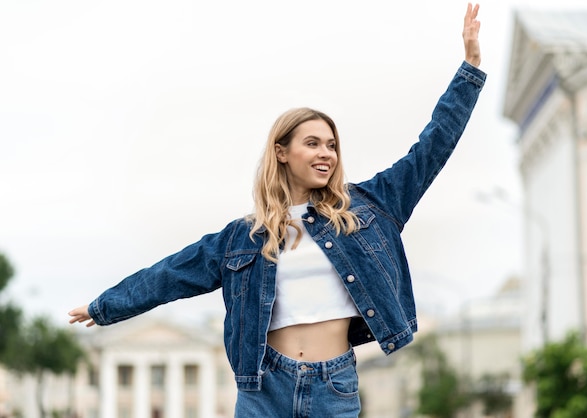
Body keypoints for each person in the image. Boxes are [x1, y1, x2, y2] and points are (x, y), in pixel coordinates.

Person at [69, 3, 485, 417]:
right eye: (313, 143)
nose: (327, 154)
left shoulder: (369, 207)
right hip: (263, 387)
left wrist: (469, 70)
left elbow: (431, 149)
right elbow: (170, 274)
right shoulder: (243, 237)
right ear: (281, 152)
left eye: (332, 144)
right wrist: (106, 307)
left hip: (334, 385)